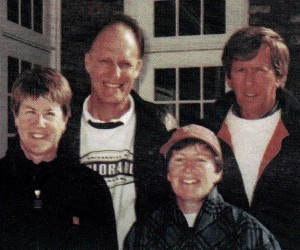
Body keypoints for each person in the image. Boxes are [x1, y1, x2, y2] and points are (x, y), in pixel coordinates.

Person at [60, 12, 177, 248]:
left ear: (138, 68)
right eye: (105, 61)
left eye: (125, 64)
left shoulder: (160, 124)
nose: (115, 74)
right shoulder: (59, 123)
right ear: (87, 62)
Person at [203, 26, 300, 249]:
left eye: (260, 70)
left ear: (280, 77)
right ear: (228, 78)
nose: (249, 82)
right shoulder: (206, 132)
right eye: (240, 70)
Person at [0, 67, 117, 249]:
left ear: (65, 119)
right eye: (30, 112)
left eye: (49, 114)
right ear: (15, 117)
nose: (39, 123)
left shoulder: (90, 187)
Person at [124, 124, 281, 249]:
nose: (188, 169)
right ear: (168, 173)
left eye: (200, 160)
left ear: (217, 173)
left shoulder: (249, 233)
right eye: (179, 159)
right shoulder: (144, 232)